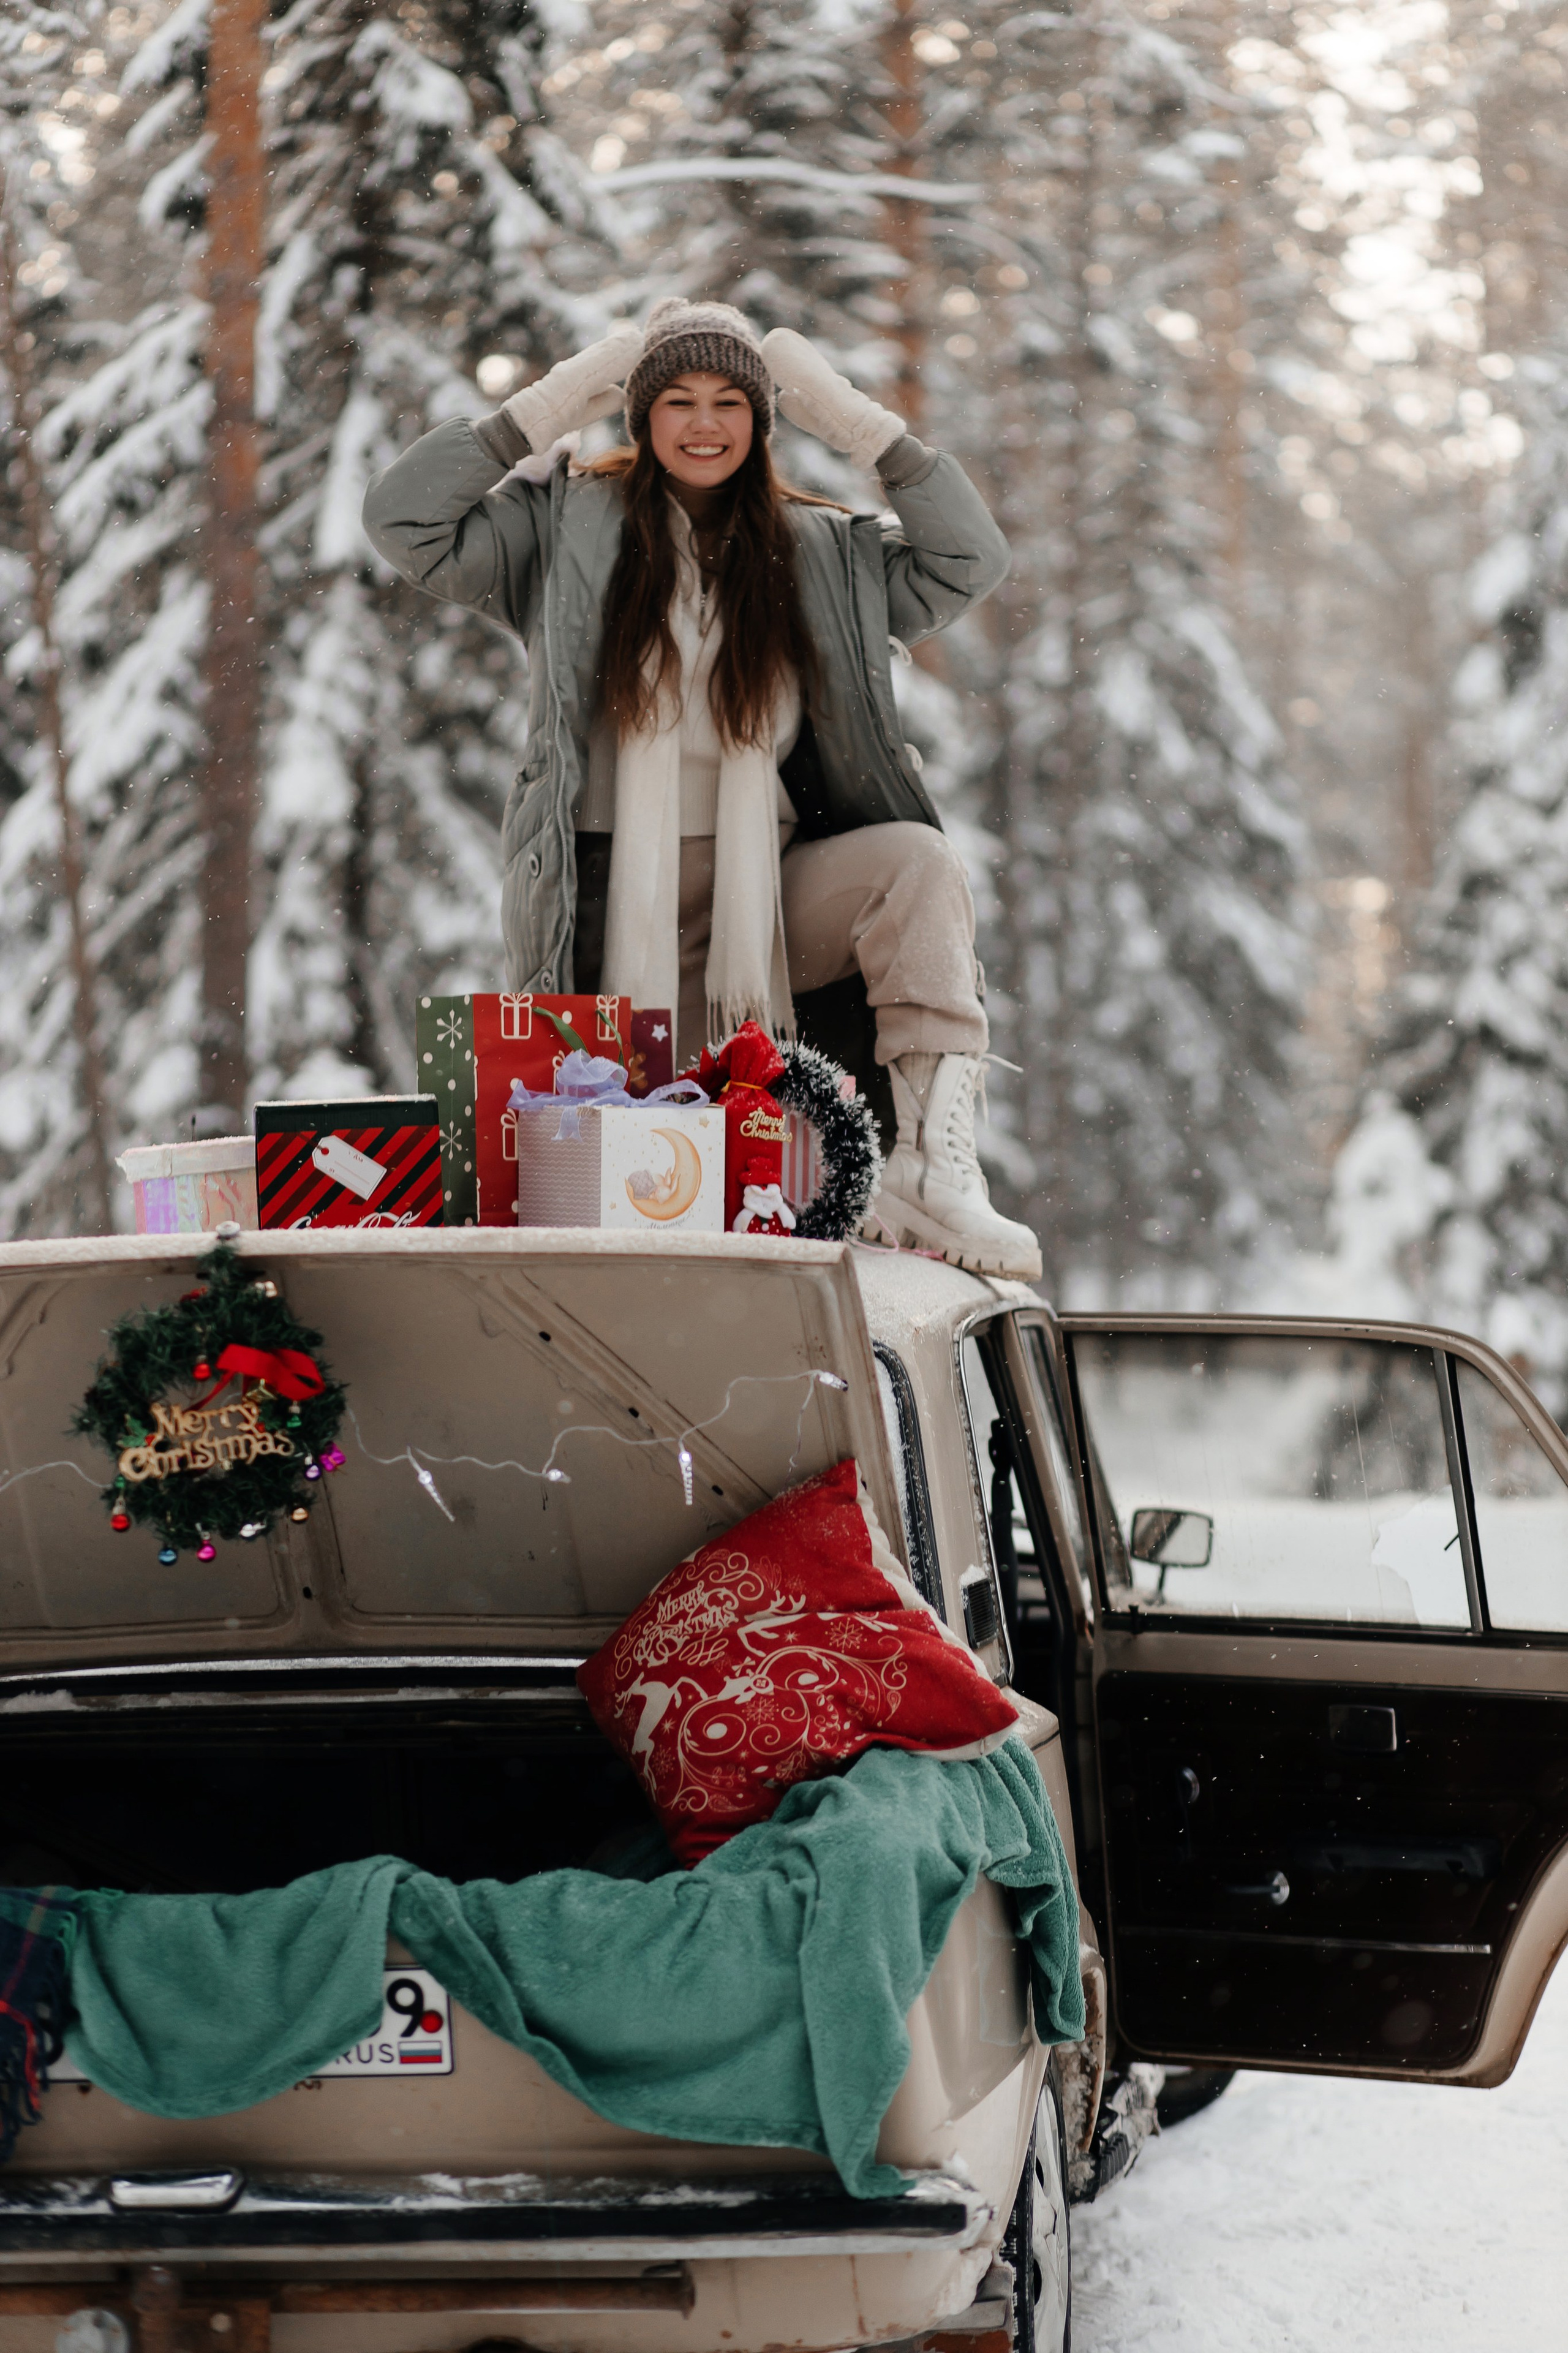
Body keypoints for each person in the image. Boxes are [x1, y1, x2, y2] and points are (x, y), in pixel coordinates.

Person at [363, 299, 1039, 1279]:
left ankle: (928, 1171)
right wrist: (548, 406)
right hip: (610, 903)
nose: (704, 422)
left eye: (731, 400)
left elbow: (970, 561)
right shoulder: (561, 533)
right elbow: (404, 519)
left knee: (919, 867)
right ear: (639, 417)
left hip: (766, 891)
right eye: (675, 399)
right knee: (646, 1193)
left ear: (764, 421)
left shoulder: (820, 552)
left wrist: (859, 426)